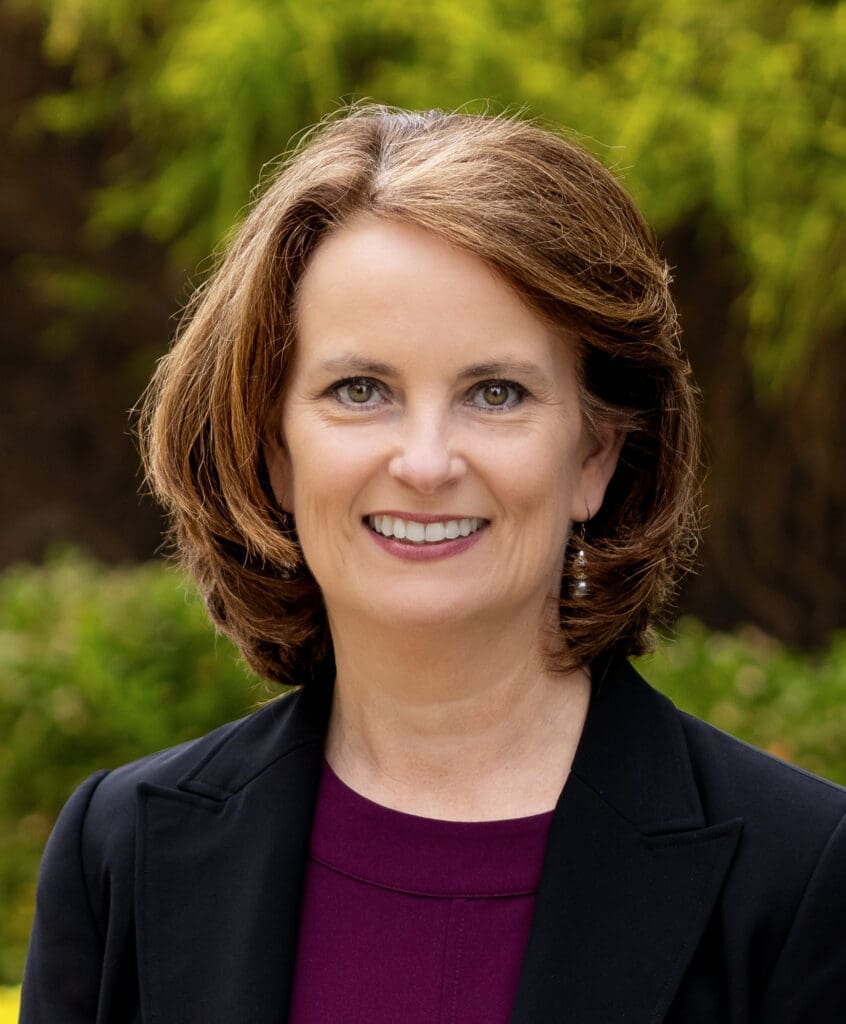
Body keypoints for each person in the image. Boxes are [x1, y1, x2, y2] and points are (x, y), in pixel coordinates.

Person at [20, 105, 846, 1023]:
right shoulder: (119, 854)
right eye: (359, 389)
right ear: (274, 449)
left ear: (596, 455)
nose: (423, 462)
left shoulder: (807, 873)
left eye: (495, 393)